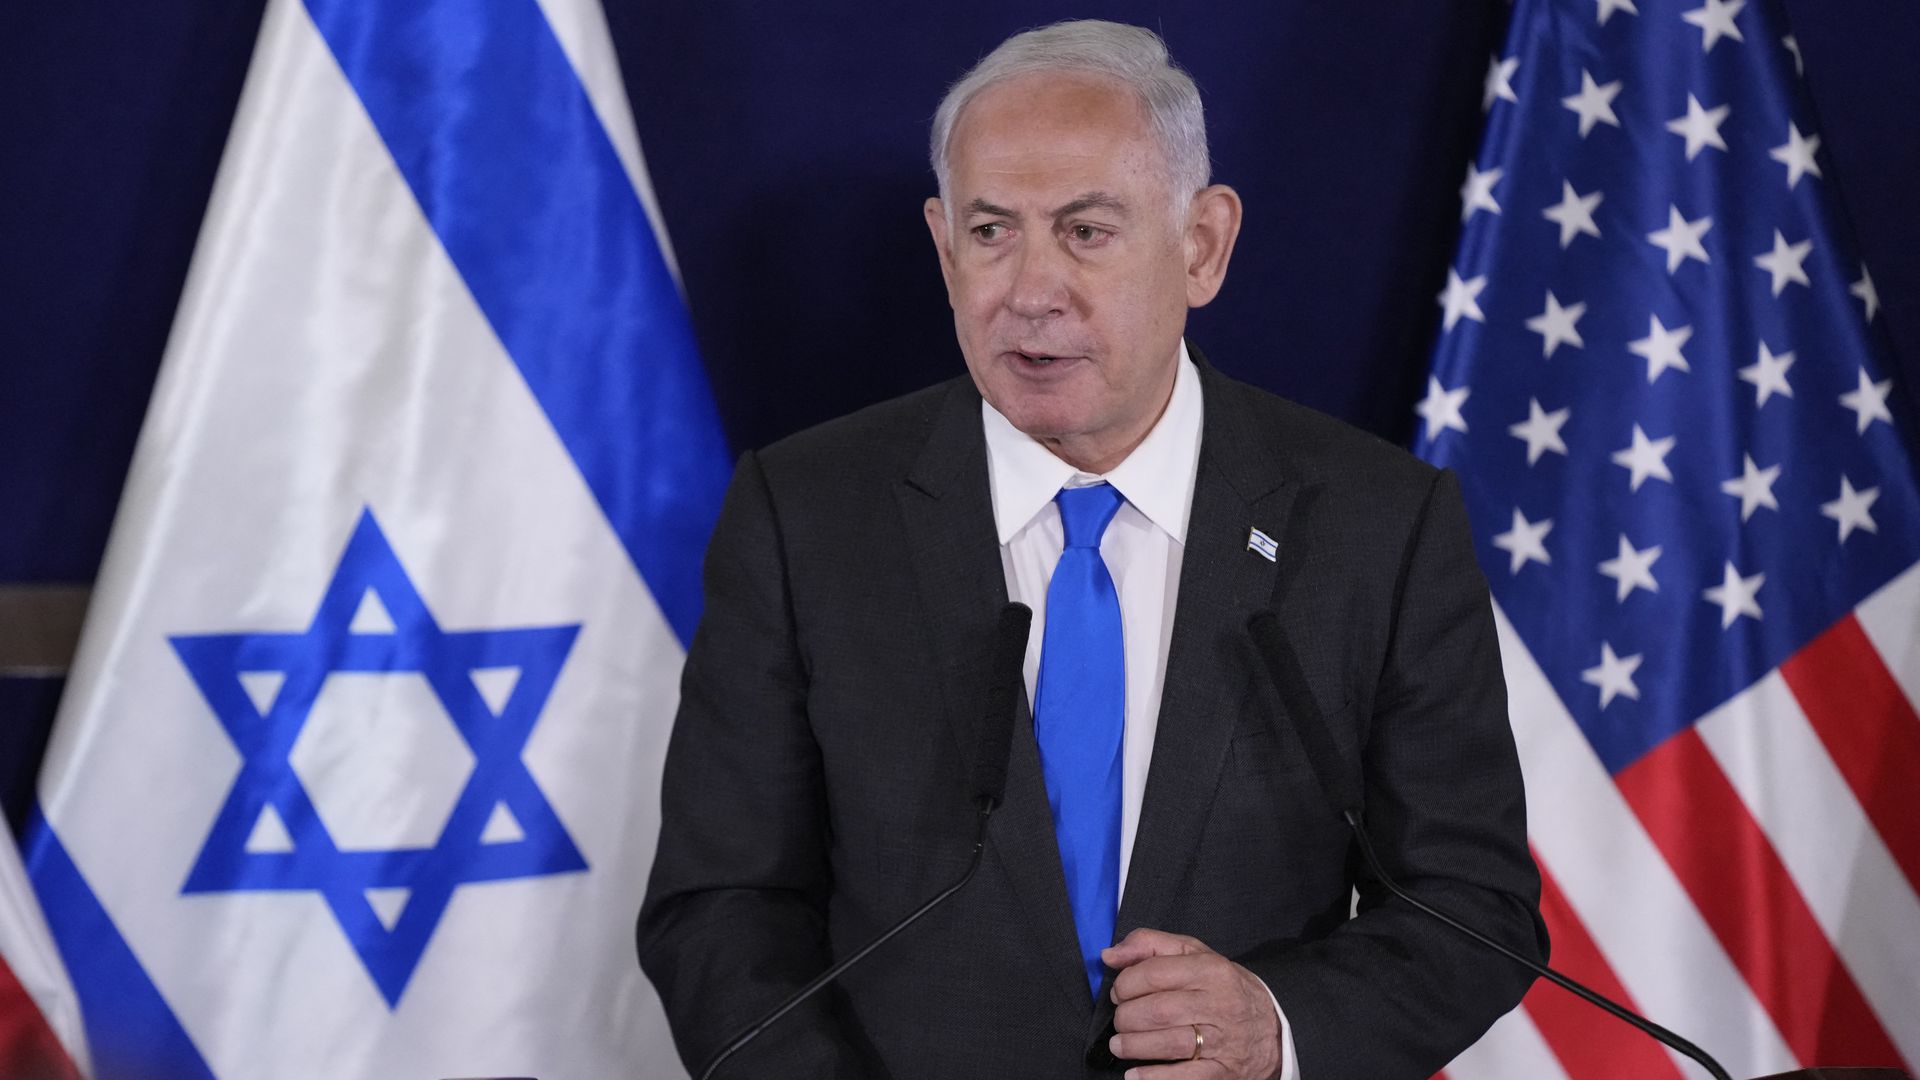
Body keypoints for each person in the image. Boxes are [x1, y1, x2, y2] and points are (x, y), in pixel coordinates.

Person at [638, 19, 1545, 1080]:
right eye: (989, 232)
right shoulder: (804, 516)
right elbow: (721, 907)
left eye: (1085, 231)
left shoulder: (1377, 524)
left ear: (1202, 244)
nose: (1029, 290)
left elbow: (1470, 906)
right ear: (942, 247)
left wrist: (1279, 1025)